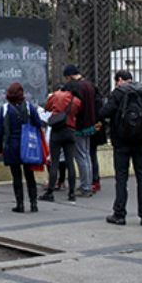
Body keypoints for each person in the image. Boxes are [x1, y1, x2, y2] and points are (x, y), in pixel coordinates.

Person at [99, 70, 142, 226]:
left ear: (119, 80)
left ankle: (119, 214)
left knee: (121, 178)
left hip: (121, 141)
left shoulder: (117, 93)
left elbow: (104, 112)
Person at [0, 82, 43, 213]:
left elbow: (1, 131)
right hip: (27, 145)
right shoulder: (29, 107)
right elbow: (38, 123)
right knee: (29, 175)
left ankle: (20, 204)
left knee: (16, 176)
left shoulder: (5, 108)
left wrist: (0, 148)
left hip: (12, 145)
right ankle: (33, 203)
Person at [40, 82, 81, 203]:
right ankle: (72, 193)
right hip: (70, 131)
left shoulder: (57, 95)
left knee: (54, 162)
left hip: (57, 131)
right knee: (70, 163)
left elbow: (47, 107)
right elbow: (77, 113)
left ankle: (50, 192)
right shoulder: (77, 100)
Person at [63, 64, 97, 197]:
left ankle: (85, 186)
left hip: (79, 125)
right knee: (87, 155)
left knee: (81, 156)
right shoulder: (89, 85)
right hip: (90, 124)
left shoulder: (76, 86)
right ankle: (88, 183)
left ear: (70, 76)